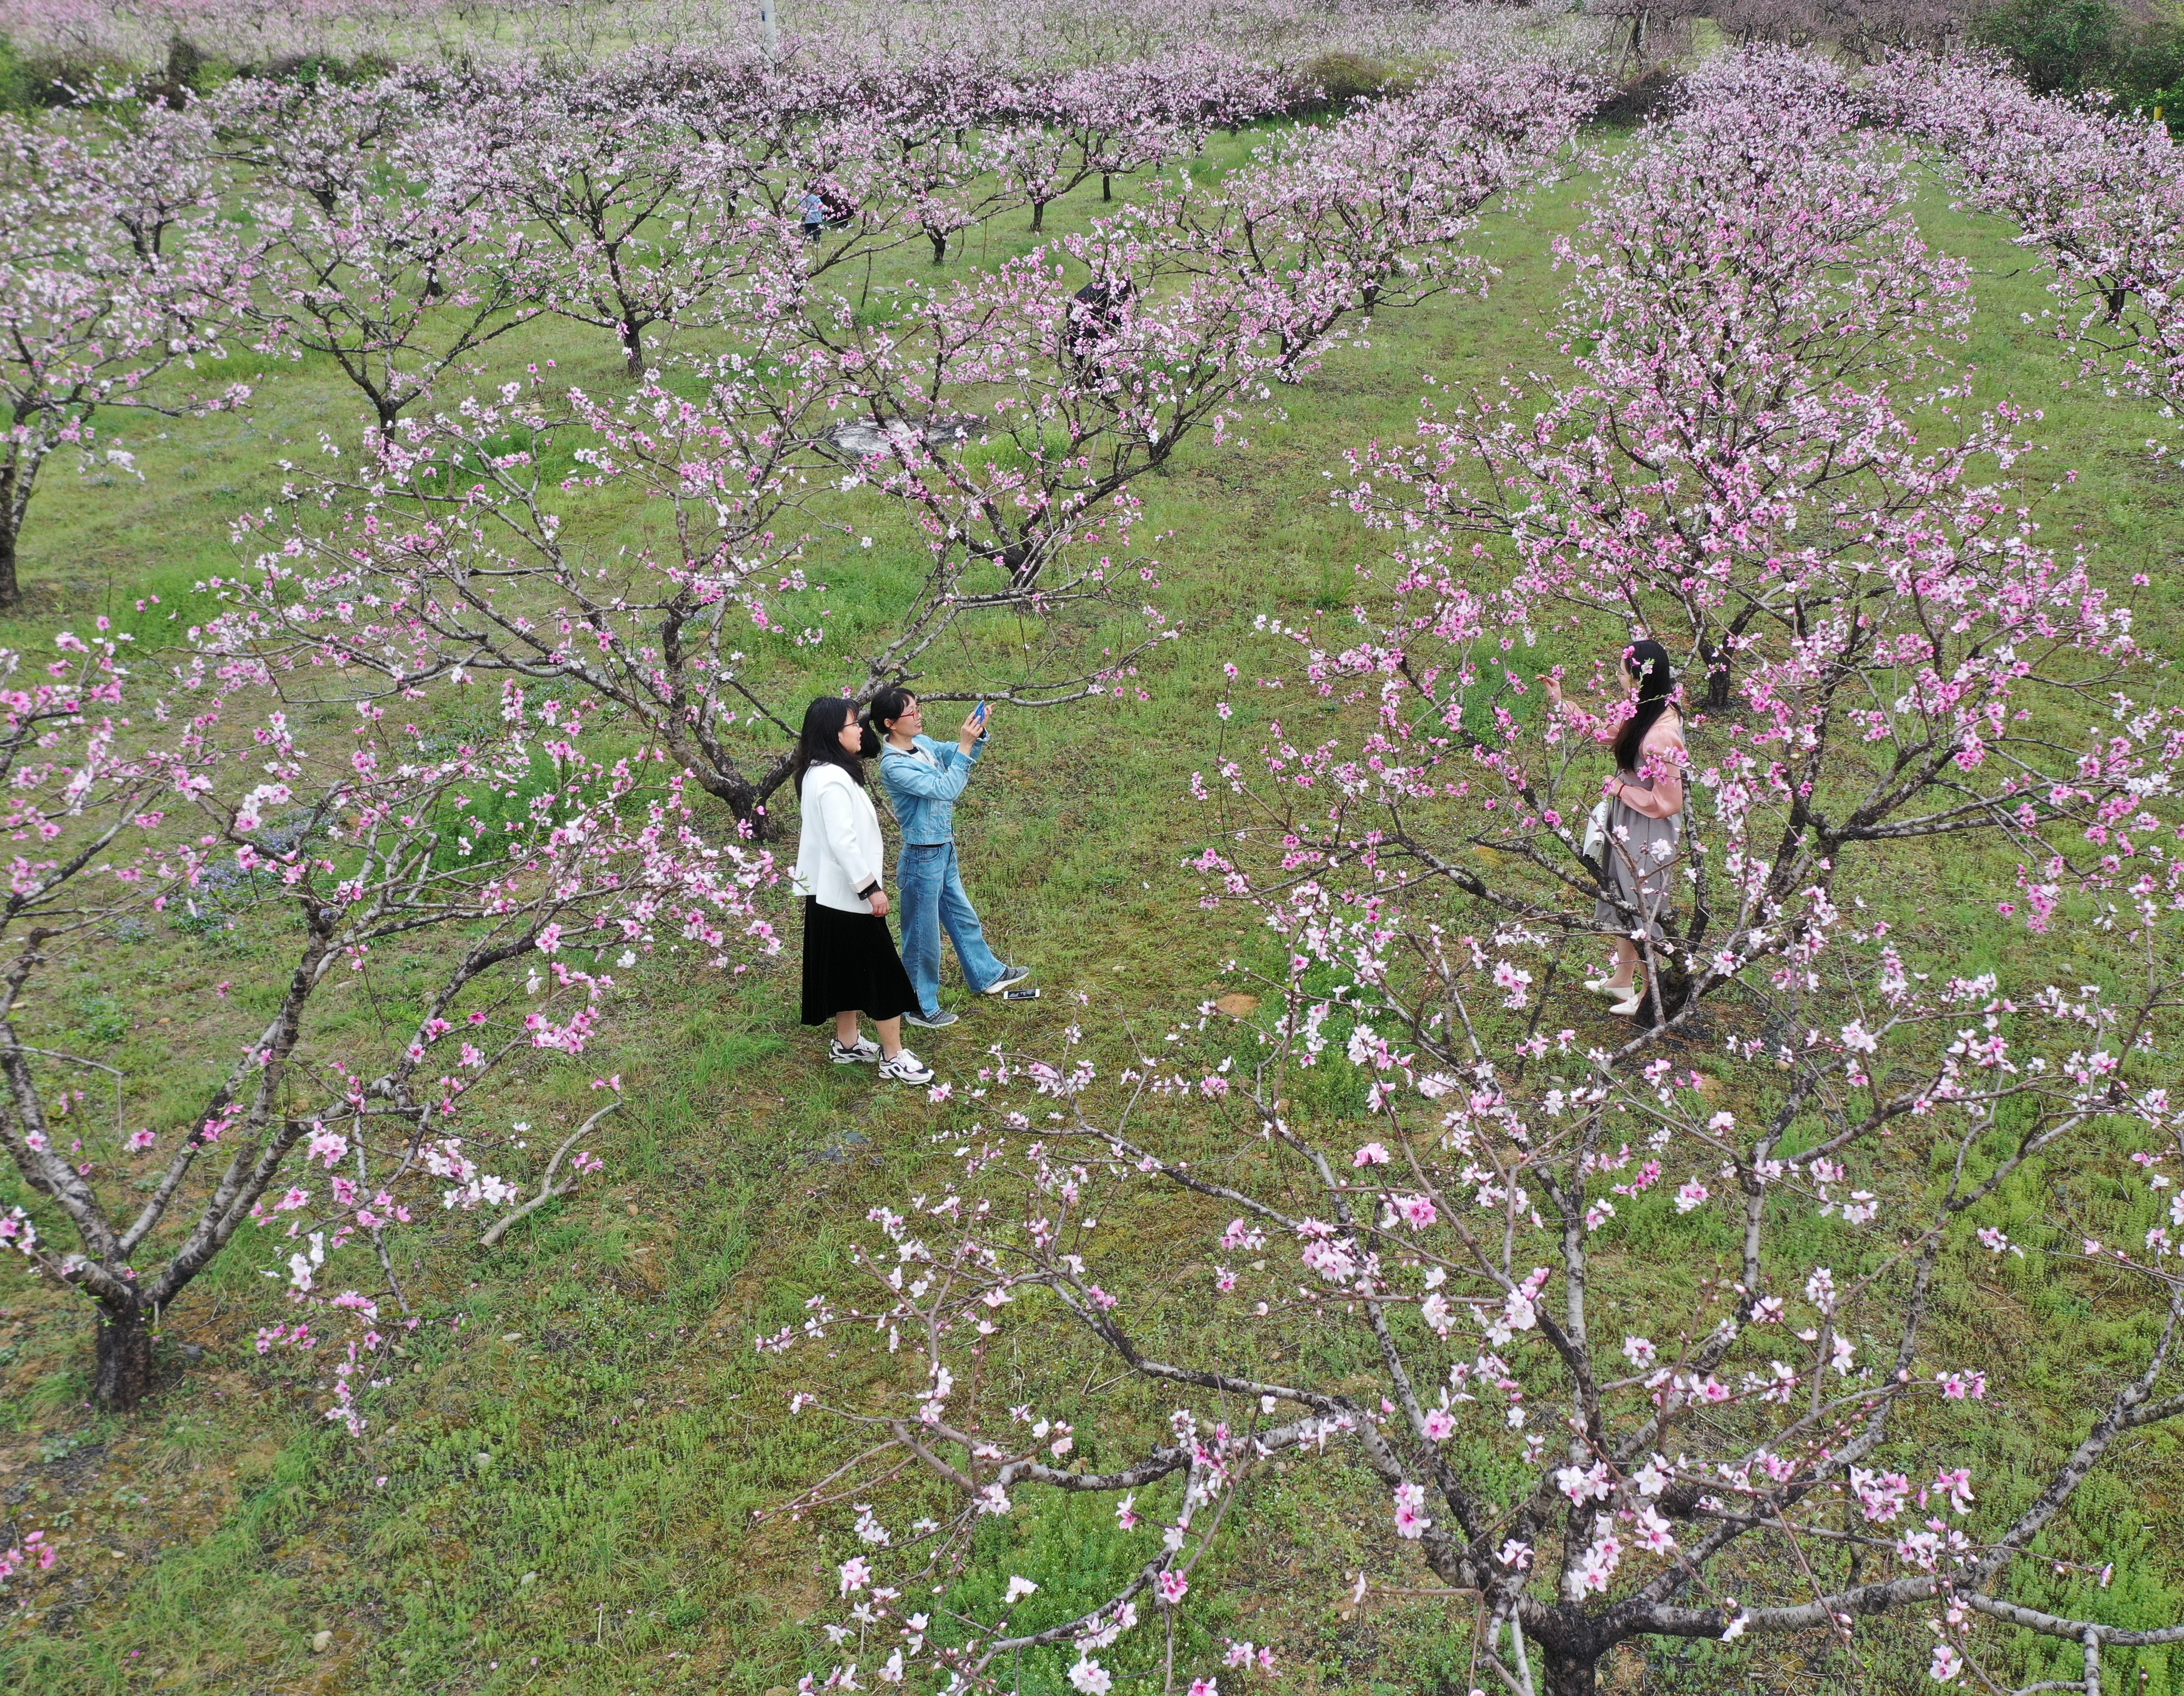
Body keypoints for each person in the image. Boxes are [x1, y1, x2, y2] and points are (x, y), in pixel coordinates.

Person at [791, 697, 934, 1082]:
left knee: (841, 968)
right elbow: (843, 842)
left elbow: (866, 744)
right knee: (882, 971)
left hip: (825, 893)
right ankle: (893, 1055)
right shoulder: (833, 779)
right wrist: (870, 889)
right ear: (833, 734)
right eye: (853, 724)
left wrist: (863, 718)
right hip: (847, 893)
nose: (860, 730)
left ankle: (848, 1042)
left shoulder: (817, 771)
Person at [869, 687, 1029, 1029]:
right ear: (890, 723)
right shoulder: (894, 766)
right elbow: (946, 788)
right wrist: (967, 747)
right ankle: (918, 1005)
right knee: (922, 935)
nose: (919, 715)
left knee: (961, 915)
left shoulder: (923, 744)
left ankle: (987, 974)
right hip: (921, 858)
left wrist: (977, 731)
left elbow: (956, 753)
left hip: (943, 848)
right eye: (911, 712)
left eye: (918, 708)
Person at [1542, 638, 1686, 1018]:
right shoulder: (1644, 709)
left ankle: (1647, 995)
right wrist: (1563, 703)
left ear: (1639, 679)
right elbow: (1607, 733)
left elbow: (1669, 802)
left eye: (1621, 673)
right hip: (1629, 817)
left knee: (1641, 908)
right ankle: (1621, 980)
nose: (1617, 678)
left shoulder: (1660, 734)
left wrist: (1620, 787)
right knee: (1621, 894)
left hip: (1648, 828)